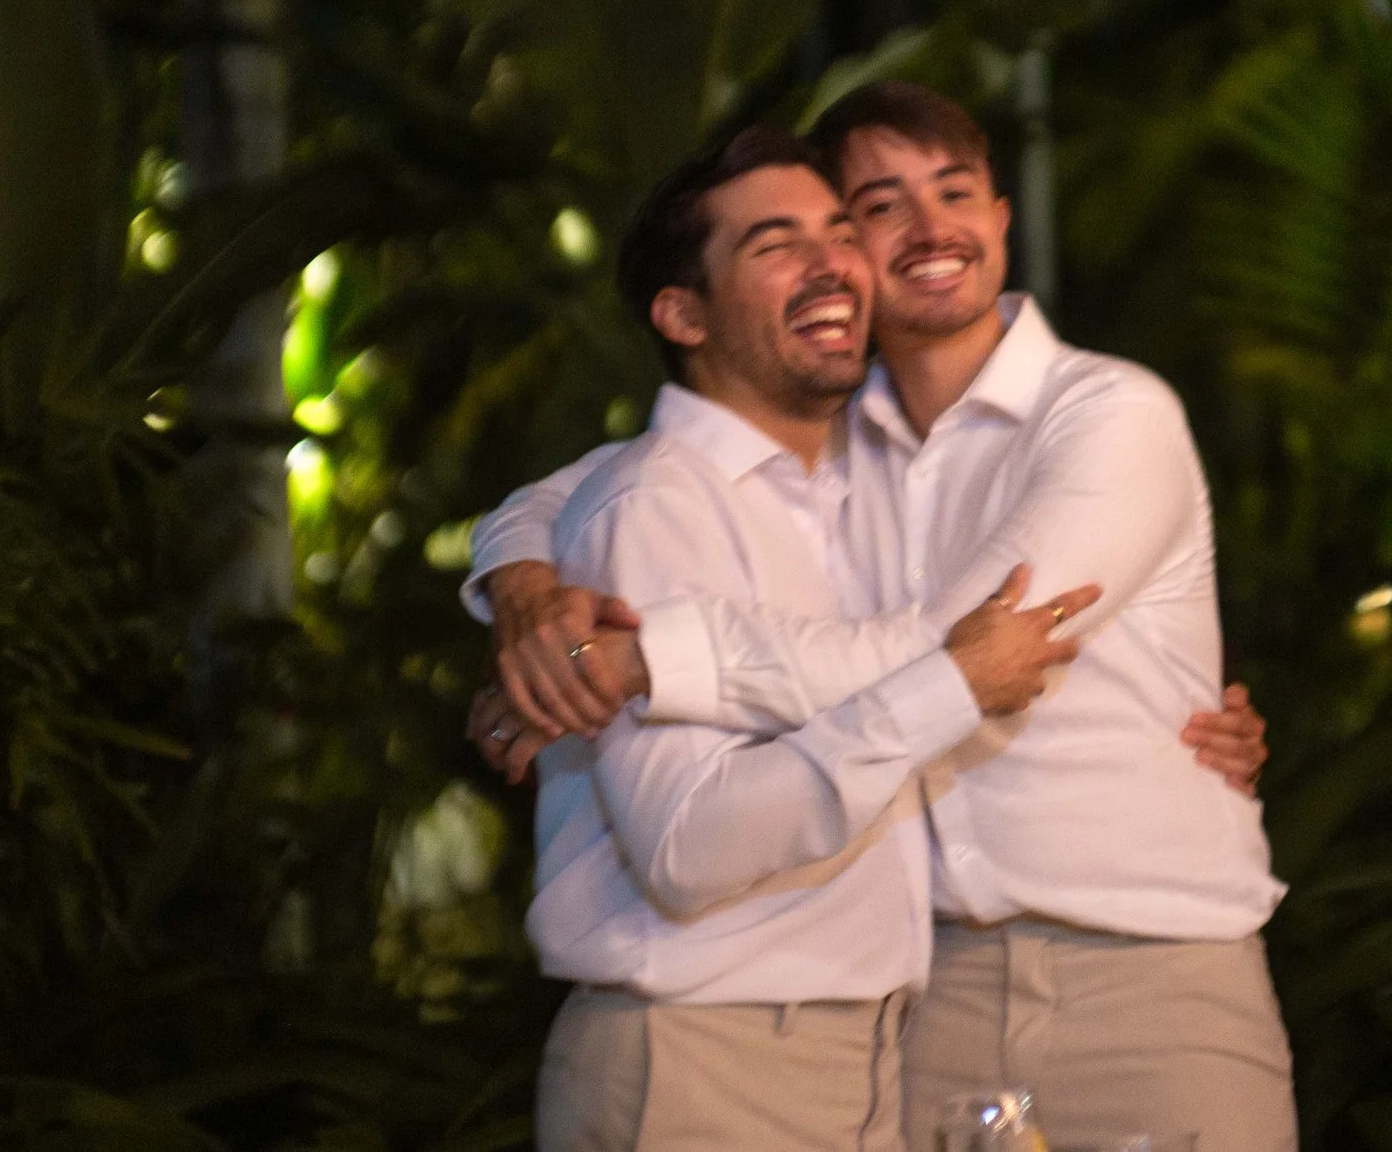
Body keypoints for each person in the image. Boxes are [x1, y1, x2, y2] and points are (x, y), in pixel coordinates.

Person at [471, 85, 1298, 1151]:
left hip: (1149, 977)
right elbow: (582, 489)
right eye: (879, 204)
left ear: (1001, 215)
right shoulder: (826, 436)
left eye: (954, 191)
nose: (928, 227)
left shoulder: (1106, 413)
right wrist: (528, 593)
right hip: (923, 996)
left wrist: (648, 656)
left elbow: (961, 649)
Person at [520, 126, 1101, 1151]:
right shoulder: (654, 505)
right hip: (705, 1064)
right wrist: (945, 686)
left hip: (859, 1057)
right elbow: (687, 847)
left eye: (839, 230)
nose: (834, 260)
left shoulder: (863, 488)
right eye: (773, 243)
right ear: (682, 312)